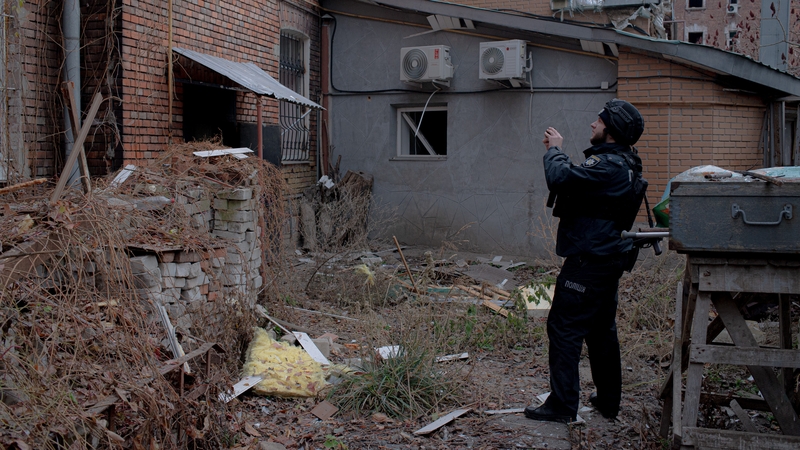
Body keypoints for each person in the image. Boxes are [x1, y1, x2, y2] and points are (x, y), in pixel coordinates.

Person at [524, 99, 647, 423]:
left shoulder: (608, 166)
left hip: (588, 263)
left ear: (611, 130)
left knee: (563, 328)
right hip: (606, 262)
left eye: (599, 121)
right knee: (600, 331)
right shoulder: (626, 164)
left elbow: (560, 178)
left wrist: (555, 149)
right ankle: (608, 401)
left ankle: (562, 405)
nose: (593, 124)